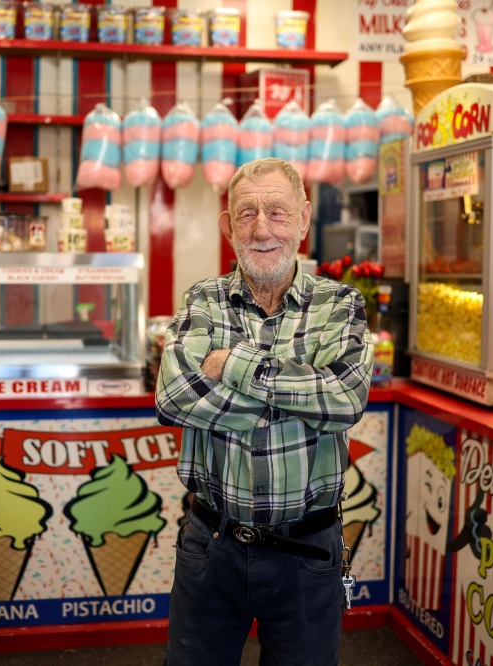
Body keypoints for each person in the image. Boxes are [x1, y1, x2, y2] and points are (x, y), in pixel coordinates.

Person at [156, 158, 374, 666]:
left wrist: (231, 362)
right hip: (211, 545)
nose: (261, 229)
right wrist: (299, 397)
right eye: (247, 213)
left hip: (309, 549)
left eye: (276, 212)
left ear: (302, 219)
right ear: (227, 226)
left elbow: (344, 400)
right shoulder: (203, 302)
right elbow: (173, 398)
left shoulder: (339, 304)